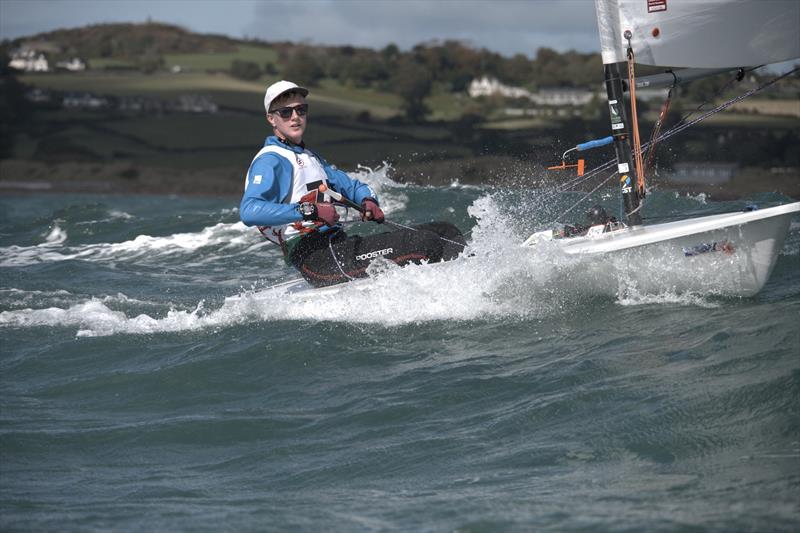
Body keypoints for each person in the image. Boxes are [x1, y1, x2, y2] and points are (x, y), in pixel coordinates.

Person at [240, 80, 465, 287]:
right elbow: (250, 211)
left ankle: (473, 287)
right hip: (317, 260)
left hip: (339, 246)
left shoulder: (310, 157)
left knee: (445, 230)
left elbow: (353, 186)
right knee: (423, 242)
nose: (295, 117)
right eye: (286, 112)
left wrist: (368, 201)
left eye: (301, 110)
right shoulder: (270, 160)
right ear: (271, 118)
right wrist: (311, 210)